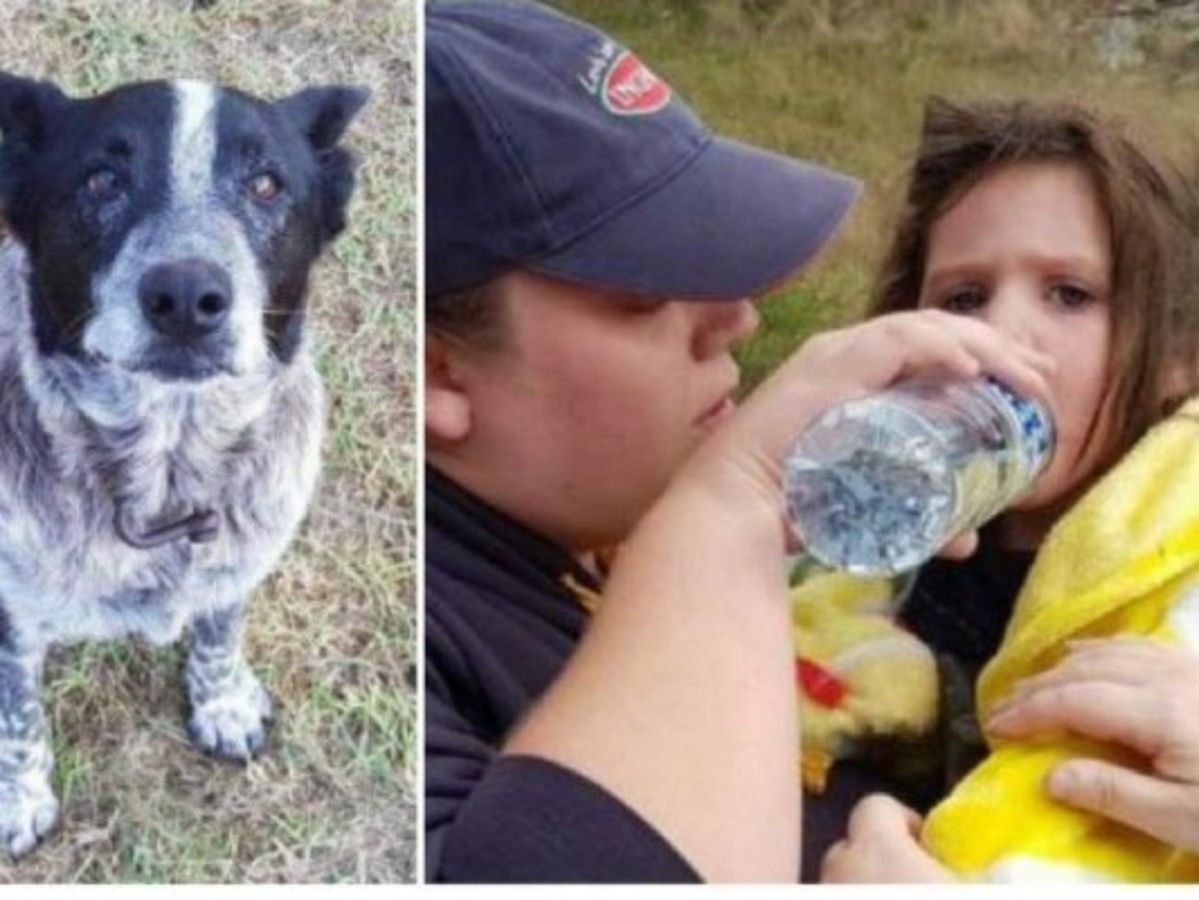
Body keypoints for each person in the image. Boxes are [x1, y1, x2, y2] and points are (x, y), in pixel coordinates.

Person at [423, 1, 1052, 883]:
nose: (737, 317)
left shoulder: (567, 519)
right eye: (642, 292)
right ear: (436, 374)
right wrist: (729, 509)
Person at [808, 97, 1199, 882]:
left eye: (1069, 294)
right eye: (961, 298)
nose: (996, 336)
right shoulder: (870, 570)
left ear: (1177, 362)